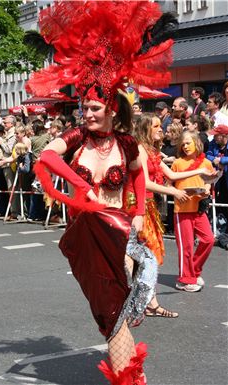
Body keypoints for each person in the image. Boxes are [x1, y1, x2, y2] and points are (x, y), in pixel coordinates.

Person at [25, 1, 179, 383]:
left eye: (94, 107)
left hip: (123, 233)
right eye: (84, 106)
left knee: (116, 311)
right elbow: (46, 155)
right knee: (110, 311)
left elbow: (139, 176)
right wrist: (79, 185)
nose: (87, 114)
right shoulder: (76, 137)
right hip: (89, 235)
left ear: (111, 109)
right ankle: (130, 377)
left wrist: (141, 210)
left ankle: (129, 377)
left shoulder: (126, 144)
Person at [133, 114, 213, 313]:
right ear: (146, 129)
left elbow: (172, 175)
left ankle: (149, 303)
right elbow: (145, 183)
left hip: (151, 206)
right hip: (139, 207)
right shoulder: (140, 150)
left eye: (161, 125)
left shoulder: (152, 151)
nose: (162, 129)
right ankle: (145, 302)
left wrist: (198, 173)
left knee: (151, 255)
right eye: (157, 126)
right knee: (145, 255)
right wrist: (174, 191)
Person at [171, 131, 215, 292]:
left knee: (208, 240)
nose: (185, 146)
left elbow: (210, 182)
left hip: (199, 208)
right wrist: (176, 192)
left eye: (188, 143)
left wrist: (206, 189)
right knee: (186, 246)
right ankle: (185, 279)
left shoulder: (206, 163)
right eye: (183, 144)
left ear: (197, 143)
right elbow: (168, 183)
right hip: (182, 209)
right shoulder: (177, 163)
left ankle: (193, 271)